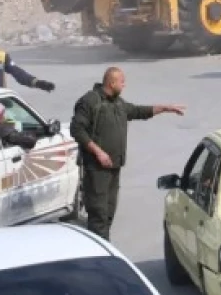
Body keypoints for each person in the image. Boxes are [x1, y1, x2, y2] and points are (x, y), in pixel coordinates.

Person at [71, 67, 186, 239]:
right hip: (96, 170)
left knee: (108, 214)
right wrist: (99, 152)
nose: (124, 85)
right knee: (98, 215)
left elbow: (139, 111)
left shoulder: (118, 103)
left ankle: (104, 249)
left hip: (114, 168)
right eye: (122, 81)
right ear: (111, 82)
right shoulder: (90, 102)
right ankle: (100, 258)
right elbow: (77, 129)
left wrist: (165, 108)